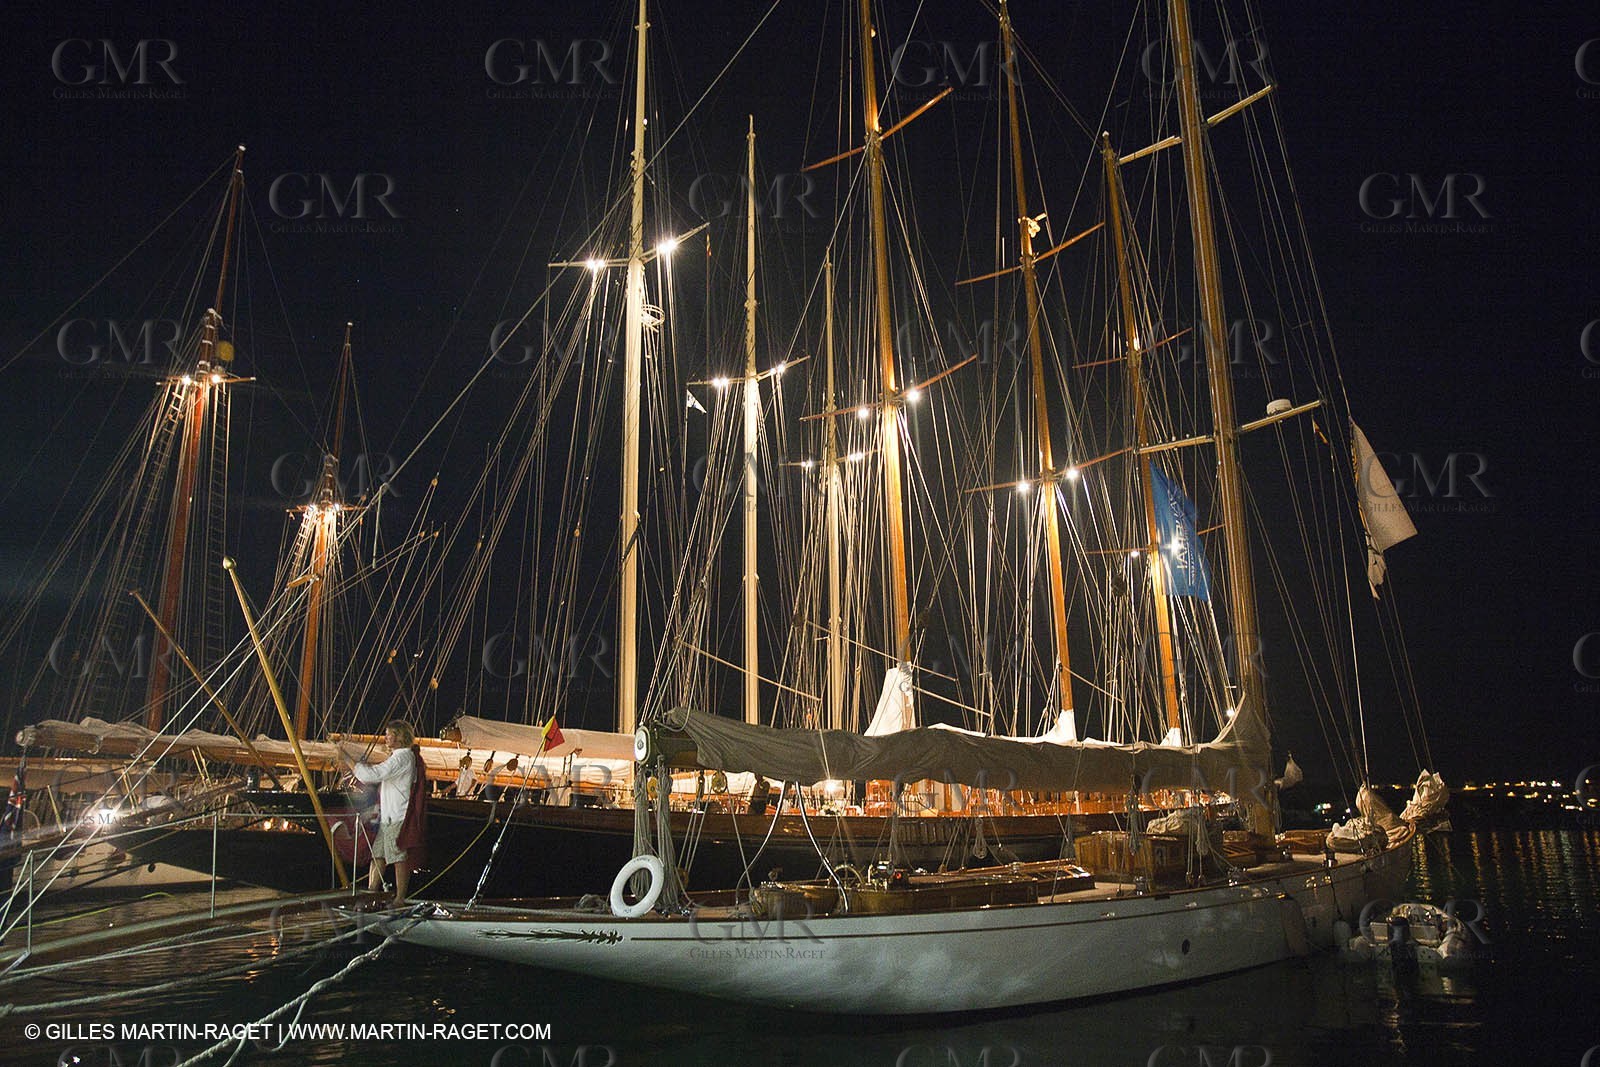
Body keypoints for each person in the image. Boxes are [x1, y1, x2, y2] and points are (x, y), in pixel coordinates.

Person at [347, 720, 427, 904]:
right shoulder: (400, 757)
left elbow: (373, 775)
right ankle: (371, 891)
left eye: (389, 734)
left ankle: (400, 897)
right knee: (379, 854)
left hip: (398, 816)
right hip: (389, 816)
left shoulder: (402, 757)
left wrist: (349, 761)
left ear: (399, 737)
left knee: (398, 856)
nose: (386, 737)